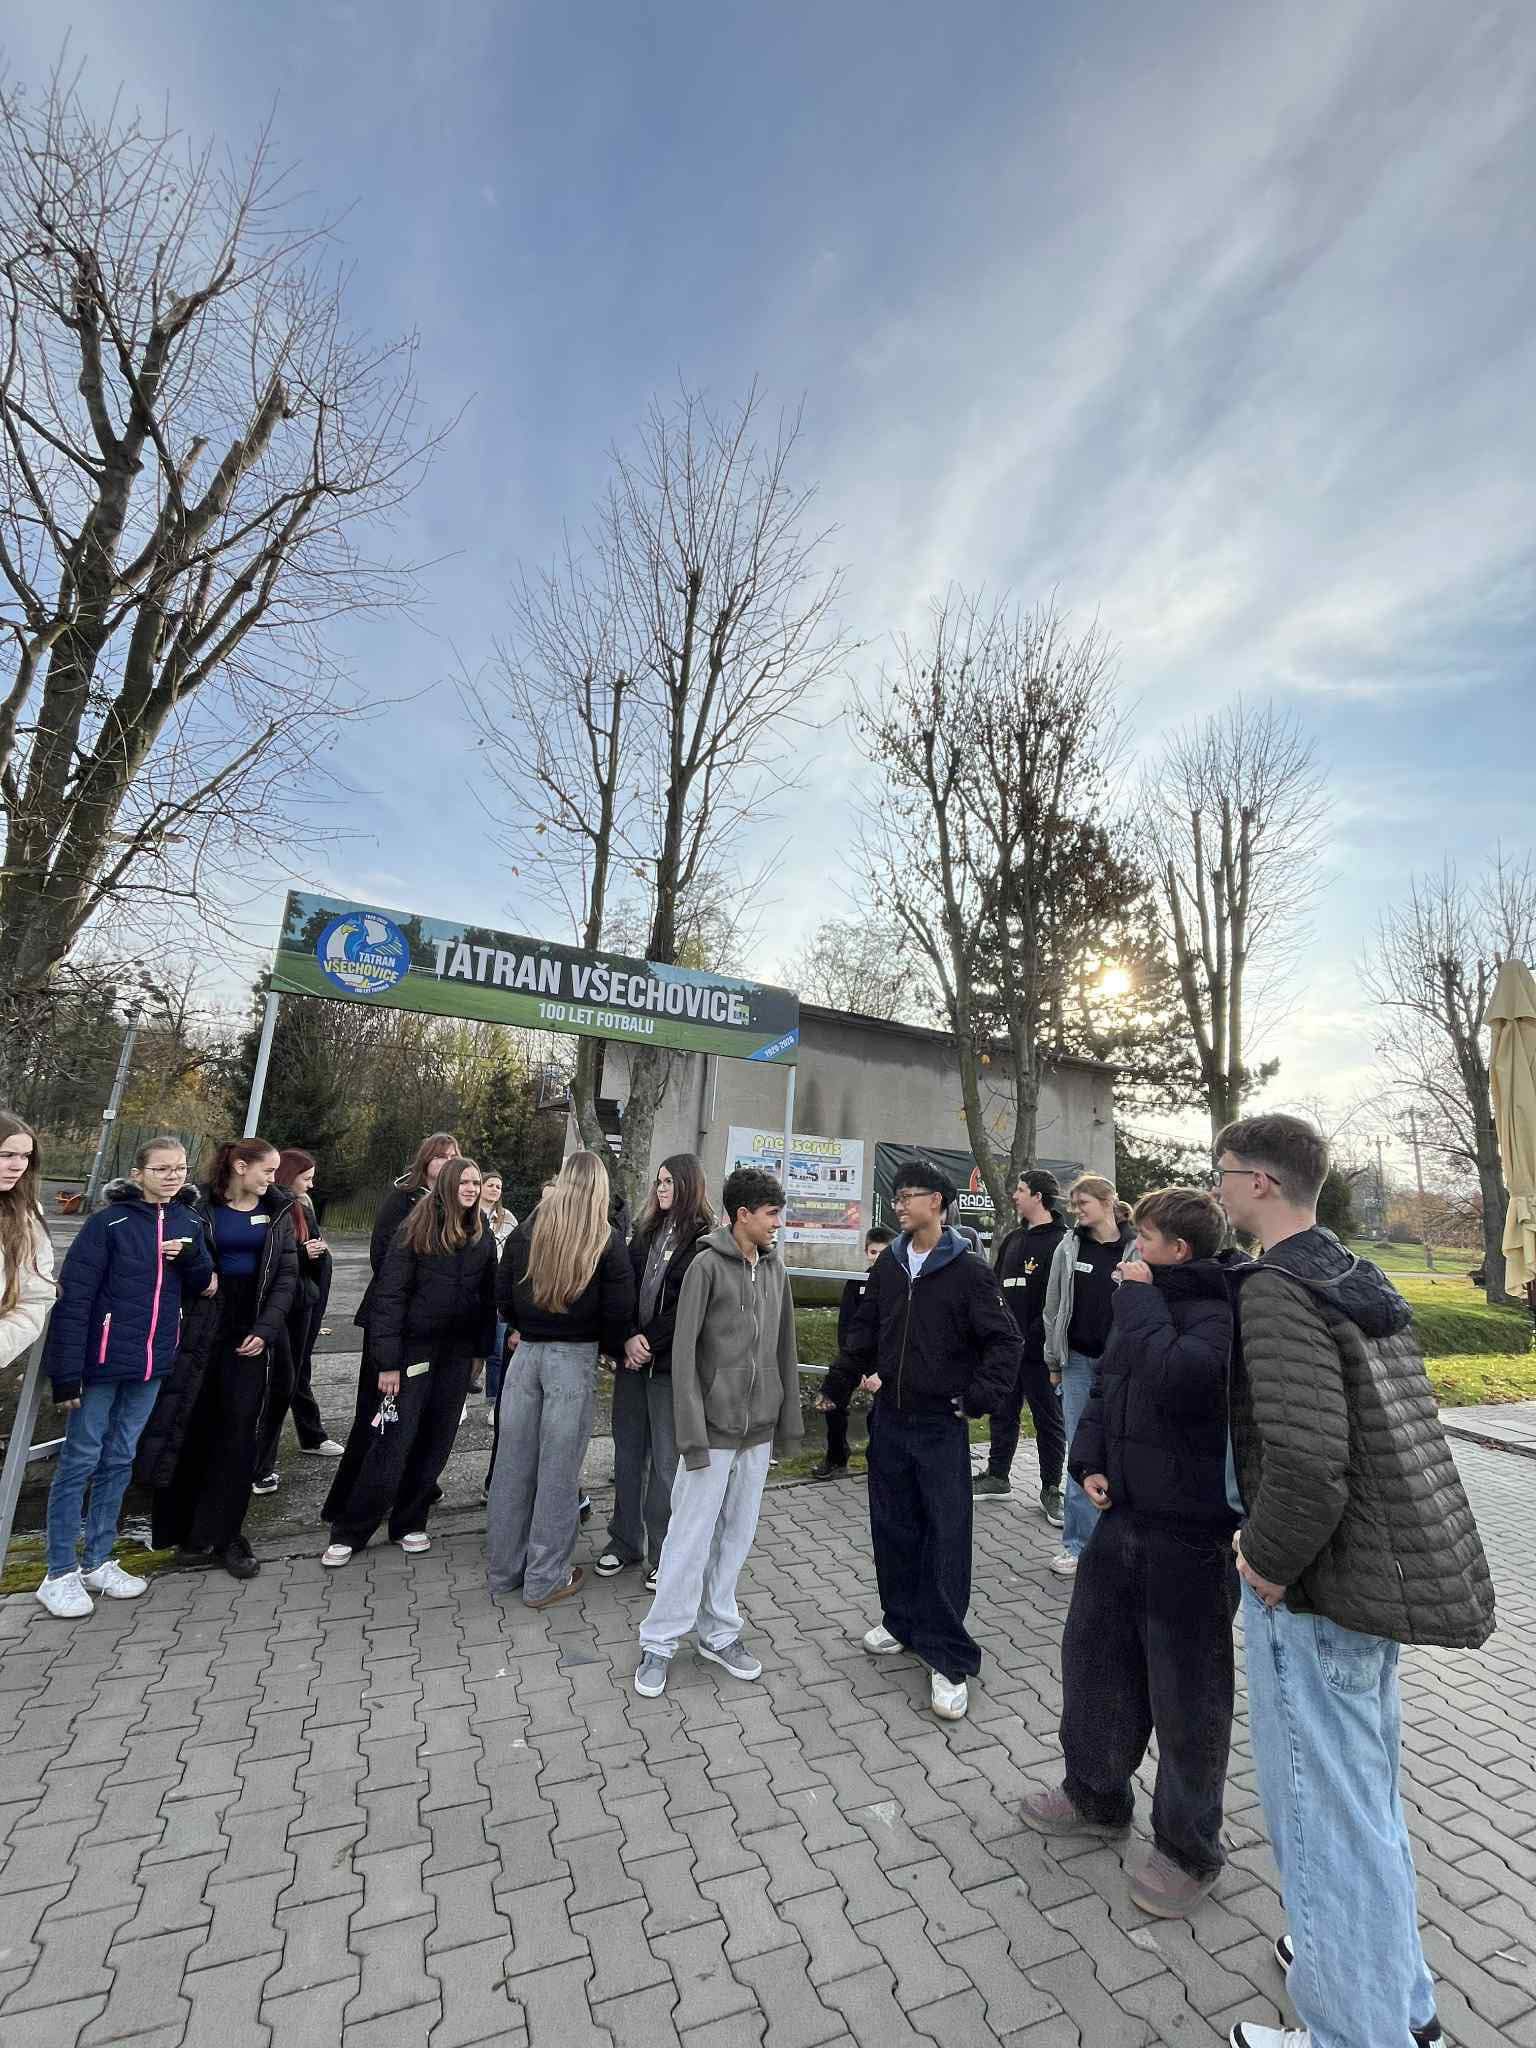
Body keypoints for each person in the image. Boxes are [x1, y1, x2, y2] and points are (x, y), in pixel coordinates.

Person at [1214, 1114, 1493, 2048]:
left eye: (1223, 1171)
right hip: (1370, 1585)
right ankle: (1397, 2005)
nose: (1216, 1186)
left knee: (1323, 1818)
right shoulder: (1352, 1273)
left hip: (1316, 1590)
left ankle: (1350, 2032)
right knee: (1364, 1809)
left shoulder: (1277, 1288)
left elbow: (1307, 1464)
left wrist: (1262, 1560)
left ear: (1259, 1182)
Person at [1019, 1186, 1240, 1917]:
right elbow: (1108, 1388)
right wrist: (1088, 1463)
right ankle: (1095, 1794)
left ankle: (1188, 1849)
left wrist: (1139, 1299)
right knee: (1093, 1662)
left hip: (1191, 1539)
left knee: (1187, 1702)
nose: (1131, 1247)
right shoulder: (1138, 1303)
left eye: (1143, 1238)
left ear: (1177, 1250)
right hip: (1122, 1524)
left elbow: (1181, 1379)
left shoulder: (1218, 1308)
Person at [820, 1158, 1020, 1721]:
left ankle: (948, 1656)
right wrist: (838, 1383)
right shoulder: (889, 1264)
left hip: (939, 1426)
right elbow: (866, 1331)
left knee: (944, 1538)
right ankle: (902, 1621)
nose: (899, 1205)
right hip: (890, 1420)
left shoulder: (969, 1271)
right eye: (896, 1196)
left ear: (938, 1201)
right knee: (893, 1527)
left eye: (908, 1195)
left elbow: (1005, 1342)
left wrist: (976, 1398)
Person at [634, 1165, 802, 1698]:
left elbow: (785, 1348)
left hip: (757, 1431)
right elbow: (684, 1355)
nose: (778, 1223)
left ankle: (718, 1632)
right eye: (771, 1214)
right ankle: (660, 1640)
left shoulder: (776, 1270)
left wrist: (786, 1424)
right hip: (709, 1433)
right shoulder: (705, 1266)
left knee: (736, 1536)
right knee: (687, 1538)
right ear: (742, 1214)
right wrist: (691, 1433)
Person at [32, 1139, 213, 1618]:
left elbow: (205, 1283)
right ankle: (58, 1571)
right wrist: (66, 1374)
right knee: (79, 1461)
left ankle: (98, 1560)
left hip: (151, 1364)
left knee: (120, 1459)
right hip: (101, 1364)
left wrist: (190, 1259)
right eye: (162, 1169)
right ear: (138, 1174)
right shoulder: (107, 1223)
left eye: (180, 1168)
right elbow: (74, 1298)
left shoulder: (190, 1221)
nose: (173, 1176)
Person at [321, 1156, 497, 1565]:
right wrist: (387, 1362)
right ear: (447, 1185)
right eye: (464, 1182)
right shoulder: (415, 1229)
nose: (471, 1189)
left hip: (456, 1355)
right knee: (393, 1442)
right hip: (413, 1353)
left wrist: (480, 1352)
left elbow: (488, 1298)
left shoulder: (481, 1234)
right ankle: (351, 1530)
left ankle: (410, 1522)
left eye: (475, 1182)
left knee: (436, 1441)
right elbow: (390, 1297)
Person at [147, 1140, 299, 1579]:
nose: (273, 1179)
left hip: (251, 1331)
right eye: (267, 1170)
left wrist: (265, 1329)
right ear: (240, 1166)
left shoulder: (279, 1211)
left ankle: (228, 1535)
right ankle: (188, 1535)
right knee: (191, 1426)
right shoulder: (198, 1207)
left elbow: (286, 1277)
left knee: (238, 1433)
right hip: (200, 1329)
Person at [488, 1151, 634, 1607]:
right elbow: (619, 1310)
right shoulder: (605, 1239)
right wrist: (612, 1348)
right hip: (572, 1360)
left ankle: (504, 1571)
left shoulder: (529, 1230)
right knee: (558, 1471)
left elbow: (502, 1293)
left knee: (512, 1465)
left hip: (526, 1356)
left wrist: (523, 1323)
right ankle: (546, 1578)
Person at [596, 1154, 713, 1586]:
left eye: (669, 1182)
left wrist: (648, 1342)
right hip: (632, 1363)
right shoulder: (645, 1231)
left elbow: (691, 1304)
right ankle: (624, 1541)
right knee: (628, 1455)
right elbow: (623, 1286)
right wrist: (627, 1337)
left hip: (669, 1368)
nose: (661, 1188)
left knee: (666, 1464)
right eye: (659, 1182)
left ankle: (663, 1553)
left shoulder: (704, 1239)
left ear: (688, 1185)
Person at [1042, 1174, 1135, 1577]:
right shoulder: (1068, 1246)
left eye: (1083, 1203)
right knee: (1081, 1452)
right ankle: (1078, 1545)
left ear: (1108, 1201)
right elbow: (1053, 1307)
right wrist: (1053, 1362)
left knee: (1123, 1448)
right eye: (1073, 1204)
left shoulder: (1135, 1246)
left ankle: (1120, 1543)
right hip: (1078, 1363)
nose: (1076, 1211)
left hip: (1123, 1366)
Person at [976, 1170, 1068, 1518]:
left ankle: (1051, 1488)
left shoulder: (1062, 1241)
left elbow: (1057, 1302)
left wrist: (1033, 1340)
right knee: (1003, 1413)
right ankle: (997, 1477)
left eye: (1021, 1189)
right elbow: (995, 1288)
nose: (1014, 1195)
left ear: (1039, 1197)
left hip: (1039, 1353)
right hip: (1006, 1349)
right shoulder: (1014, 1239)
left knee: (1048, 1420)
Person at [252, 1149, 343, 1491]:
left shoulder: (301, 1206)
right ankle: (261, 1464)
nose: (311, 1184)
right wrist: (306, 1255)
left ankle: (306, 1437)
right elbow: (277, 1260)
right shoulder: (279, 1209)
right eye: (306, 1178)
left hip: (303, 1303)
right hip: (285, 1307)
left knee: (295, 1374)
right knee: (282, 1381)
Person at [812, 1225, 894, 1481]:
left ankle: (879, 1460)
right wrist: (852, 1368)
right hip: (856, 1358)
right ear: (866, 1252)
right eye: (873, 1252)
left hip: (885, 1362)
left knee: (881, 1411)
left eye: (883, 1253)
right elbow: (846, 1326)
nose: (877, 1258)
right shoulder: (856, 1281)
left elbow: (898, 1334)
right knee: (830, 1399)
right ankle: (836, 1456)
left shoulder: (901, 1286)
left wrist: (880, 1372)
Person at [0, 1111, 56, 1372]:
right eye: (7, 1155)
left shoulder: (26, 1217)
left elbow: (35, 1296)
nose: (18, 1165)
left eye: (25, 1156)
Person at [472, 1169, 517, 1402]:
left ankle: (493, 1400)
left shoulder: (508, 1218)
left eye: (499, 1187)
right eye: (490, 1185)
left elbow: (516, 1250)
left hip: (497, 1290)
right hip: (472, 1288)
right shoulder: (468, 1212)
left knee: (497, 1349)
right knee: (468, 1347)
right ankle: (460, 1396)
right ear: (481, 1186)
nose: (495, 1189)